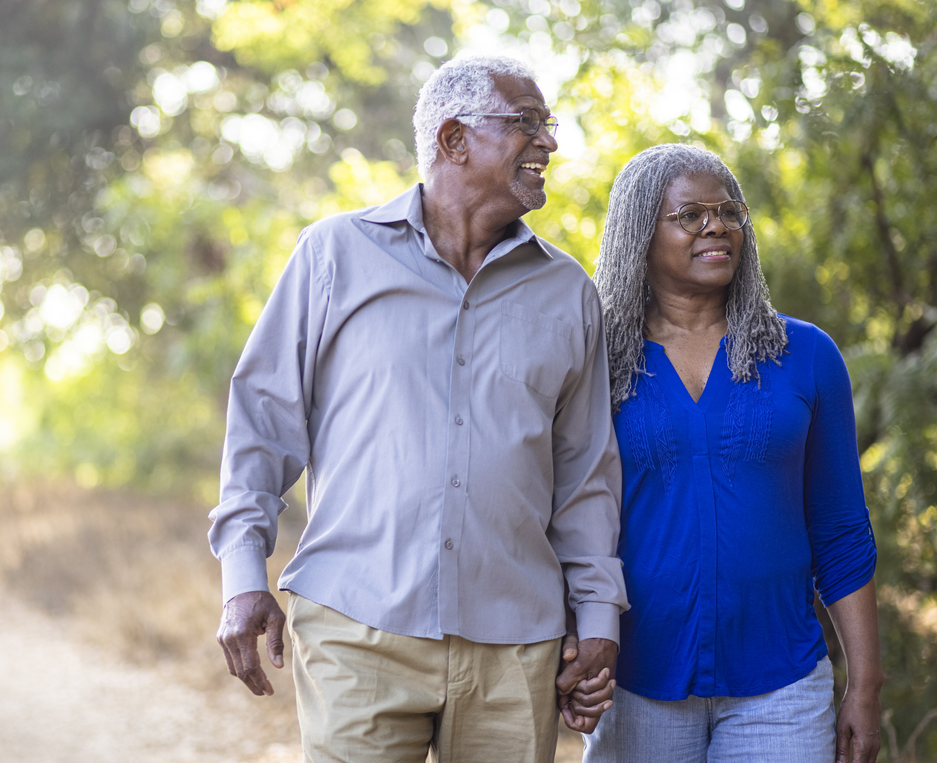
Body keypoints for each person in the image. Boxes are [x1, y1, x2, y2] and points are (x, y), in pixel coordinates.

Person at [207, 55, 628, 763]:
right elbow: (261, 425)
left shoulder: (568, 293)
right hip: (354, 626)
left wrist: (595, 618)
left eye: (546, 125)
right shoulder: (333, 255)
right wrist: (242, 578)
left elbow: (583, 475)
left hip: (514, 645)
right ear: (454, 140)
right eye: (526, 123)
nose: (548, 143)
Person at [584, 143, 883, 763]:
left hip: (782, 691)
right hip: (635, 686)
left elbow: (842, 531)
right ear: (641, 232)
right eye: (690, 215)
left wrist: (866, 685)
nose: (716, 225)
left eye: (728, 212)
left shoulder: (805, 355)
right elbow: (564, 520)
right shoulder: (595, 363)